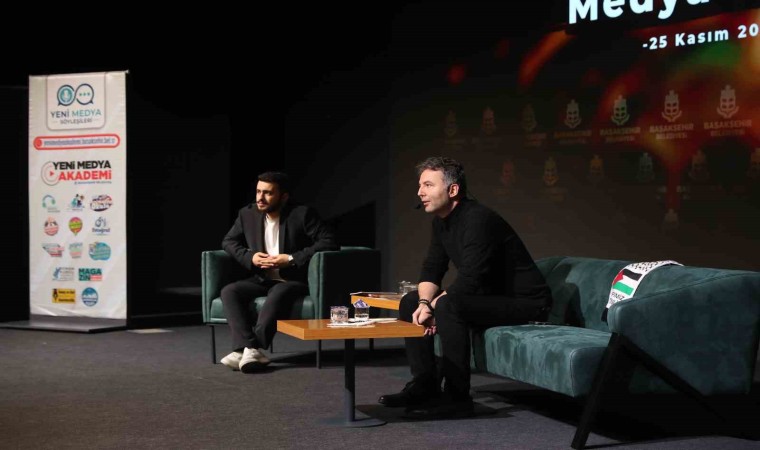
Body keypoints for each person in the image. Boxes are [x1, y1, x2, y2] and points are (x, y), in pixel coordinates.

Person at [379, 156, 552, 418]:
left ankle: (457, 397)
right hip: (487, 296)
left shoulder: (479, 219)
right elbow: (432, 268)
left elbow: (472, 278)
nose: (420, 192)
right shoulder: (441, 221)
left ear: (453, 190)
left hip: (525, 302)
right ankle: (425, 385)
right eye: (420, 185)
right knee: (410, 301)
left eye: (428, 185)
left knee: (448, 305)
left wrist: (435, 308)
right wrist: (424, 304)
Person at [220, 171, 338, 373]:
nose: (260, 198)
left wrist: (291, 259)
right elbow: (228, 241)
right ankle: (248, 349)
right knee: (230, 291)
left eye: (268, 193)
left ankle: (250, 348)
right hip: (262, 277)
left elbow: (329, 242)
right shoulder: (247, 214)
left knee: (279, 291)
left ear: (283, 197)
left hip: (293, 279)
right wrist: (250, 257)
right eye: (258, 191)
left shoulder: (302, 214)